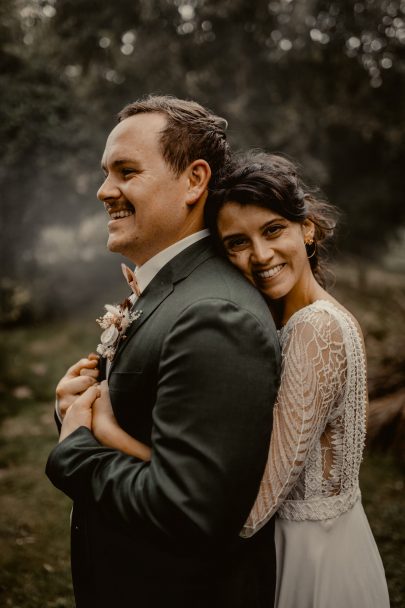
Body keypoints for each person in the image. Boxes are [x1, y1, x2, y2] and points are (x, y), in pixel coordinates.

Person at [90, 151, 390, 607]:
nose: (260, 255)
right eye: (237, 243)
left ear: (306, 227)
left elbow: (250, 507)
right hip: (310, 543)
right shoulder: (292, 316)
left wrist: (111, 435)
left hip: (308, 557)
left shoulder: (316, 329)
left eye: (272, 231)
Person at [46, 97, 281, 608]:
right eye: (107, 173)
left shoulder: (216, 314)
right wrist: (72, 407)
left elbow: (189, 511)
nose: (104, 190)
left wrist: (74, 449)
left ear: (194, 181)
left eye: (126, 171)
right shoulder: (172, 289)